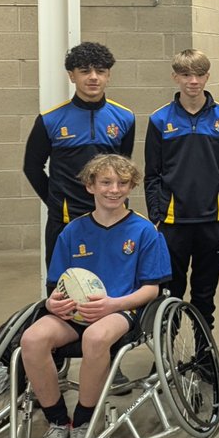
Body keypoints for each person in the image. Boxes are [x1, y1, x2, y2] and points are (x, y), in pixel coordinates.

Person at [20, 154, 171, 438]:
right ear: (90, 186)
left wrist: (112, 304)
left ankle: (84, 421)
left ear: (131, 187)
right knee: (32, 338)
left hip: (120, 308)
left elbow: (152, 290)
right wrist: (54, 304)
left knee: (95, 337)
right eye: (105, 182)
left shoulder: (144, 232)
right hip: (74, 313)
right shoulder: (72, 231)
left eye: (122, 183)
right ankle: (58, 423)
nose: (114, 189)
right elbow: (56, 287)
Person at [145, 49, 219, 338]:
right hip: (173, 225)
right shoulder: (160, 119)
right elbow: (152, 174)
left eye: (199, 75)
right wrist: (156, 217)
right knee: (169, 294)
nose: (193, 81)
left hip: (214, 223)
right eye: (186, 75)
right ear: (175, 77)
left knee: (204, 295)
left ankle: (203, 355)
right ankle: (165, 360)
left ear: (207, 77)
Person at [23, 41, 135, 271]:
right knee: (62, 289)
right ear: (72, 76)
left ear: (108, 75)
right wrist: (56, 201)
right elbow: (32, 167)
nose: (93, 77)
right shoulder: (50, 120)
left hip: (111, 217)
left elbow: (122, 168)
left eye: (100, 71)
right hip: (65, 220)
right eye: (85, 71)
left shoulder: (125, 118)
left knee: (113, 281)